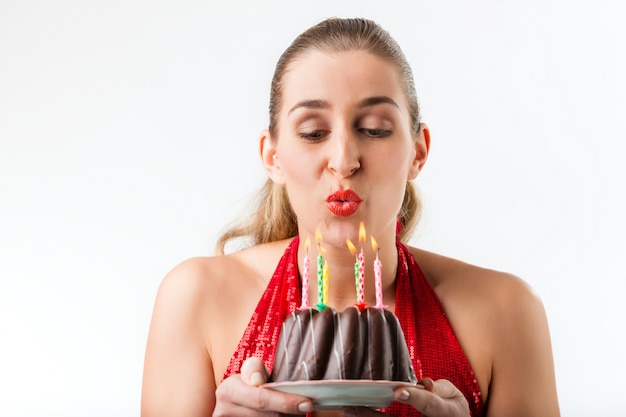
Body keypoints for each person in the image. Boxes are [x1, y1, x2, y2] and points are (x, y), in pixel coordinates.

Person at [140, 17, 560, 417]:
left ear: (419, 151)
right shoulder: (197, 298)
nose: (343, 161)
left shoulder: (505, 311)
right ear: (273, 157)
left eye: (375, 128)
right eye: (312, 132)